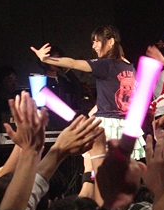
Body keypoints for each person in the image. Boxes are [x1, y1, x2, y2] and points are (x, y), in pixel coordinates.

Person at [32, 25, 143, 159]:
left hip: (108, 125)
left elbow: (73, 63)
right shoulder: (130, 67)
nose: (93, 46)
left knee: (94, 165)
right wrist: (91, 114)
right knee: (124, 169)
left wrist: (46, 59)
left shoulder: (105, 64)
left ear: (111, 42)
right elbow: (118, 97)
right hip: (128, 126)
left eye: (97, 41)